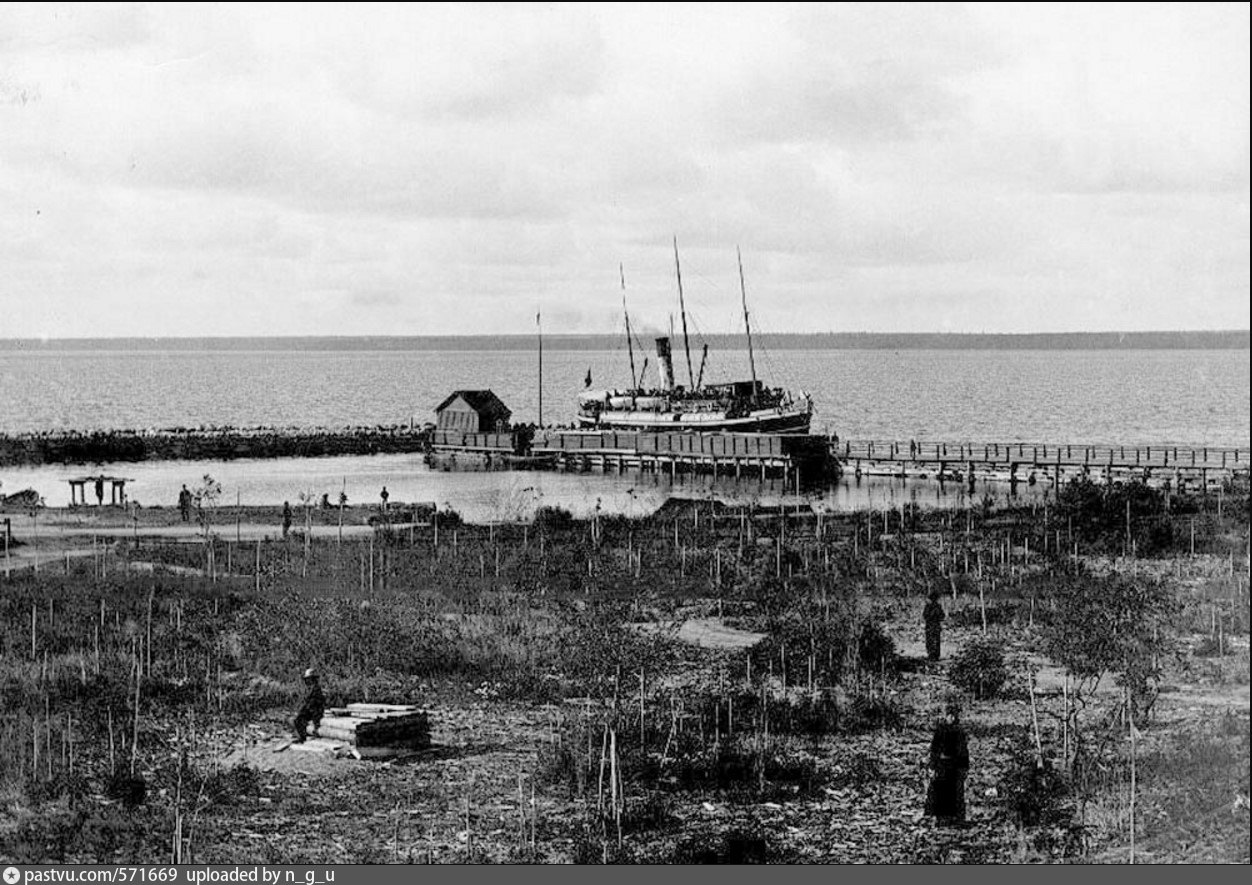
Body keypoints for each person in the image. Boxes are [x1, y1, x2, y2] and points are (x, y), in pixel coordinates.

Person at [925, 698, 970, 826]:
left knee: (956, 792)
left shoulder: (959, 731)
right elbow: (934, 749)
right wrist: (932, 766)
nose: (952, 718)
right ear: (946, 716)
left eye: (954, 715)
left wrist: (964, 767)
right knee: (940, 791)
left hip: (955, 766)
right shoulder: (940, 730)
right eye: (950, 715)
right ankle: (940, 818)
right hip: (942, 765)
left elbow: (963, 751)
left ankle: (956, 819)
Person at [293, 668, 325, 743]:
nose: (307, 681)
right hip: (311, 710)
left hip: (315, 711)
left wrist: (305, 710)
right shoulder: (311, 688)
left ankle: (303, 737)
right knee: (298, 718)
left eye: (308, 679)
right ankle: (302, 736)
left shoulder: (316, 689)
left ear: (312, 679)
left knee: (299, 719)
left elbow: (313, 703)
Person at [923, 590, 946, 662]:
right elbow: (942, 616)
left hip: (930, 626)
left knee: (930, 641)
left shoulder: (928, 606)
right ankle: (936, 656)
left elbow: (925, 616)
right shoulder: (938, 606)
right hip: (936, 626)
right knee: (936, 641)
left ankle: (931, 655)